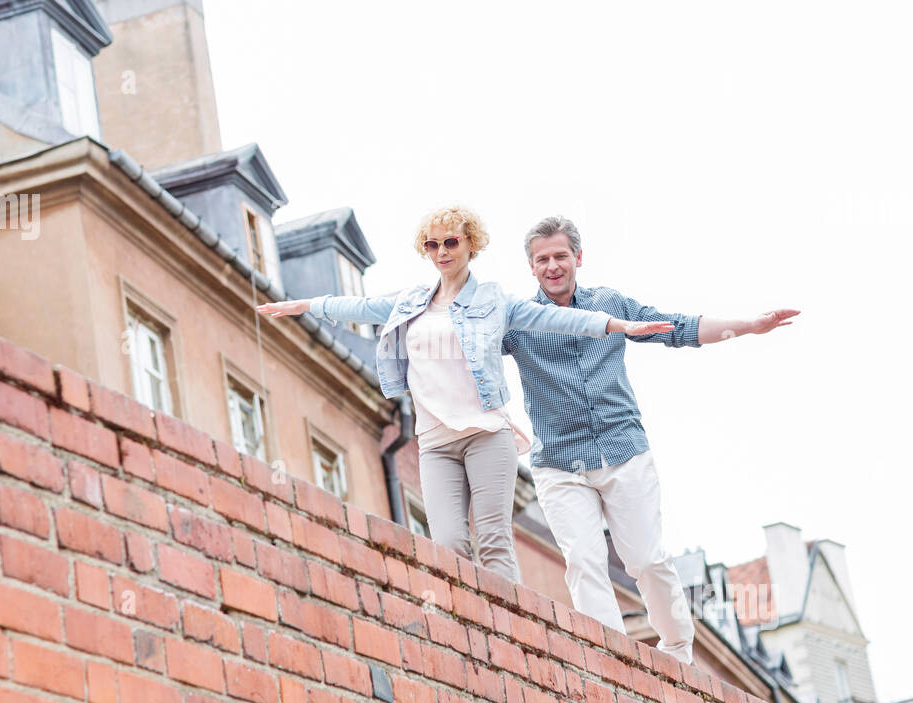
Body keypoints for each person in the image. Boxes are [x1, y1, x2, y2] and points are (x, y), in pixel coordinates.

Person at [256, 205, 675, 582]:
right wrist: (303, 305)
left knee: (494, 541)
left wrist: (619, 326)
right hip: (435, 442)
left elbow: (561, 321)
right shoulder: (410, 303)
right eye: (432, 244)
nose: (442, 251)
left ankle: (511, 639)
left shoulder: (494, 300)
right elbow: (357, 307)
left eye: (451, 242)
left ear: (470, 244)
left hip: (485, 434)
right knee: (449, 546)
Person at [504, 216, 799, 665]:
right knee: (584, 562)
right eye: (542, 259)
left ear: (578, 258)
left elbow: (673, 327)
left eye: (560, 256)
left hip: (622, 449)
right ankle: (611, 658)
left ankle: (678, 650)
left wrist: (749, 325)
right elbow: (469, 349)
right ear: (531, 267)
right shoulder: (519, 322)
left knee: (644, 559)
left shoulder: (608, 303)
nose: (552, 266)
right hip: (559, 462)